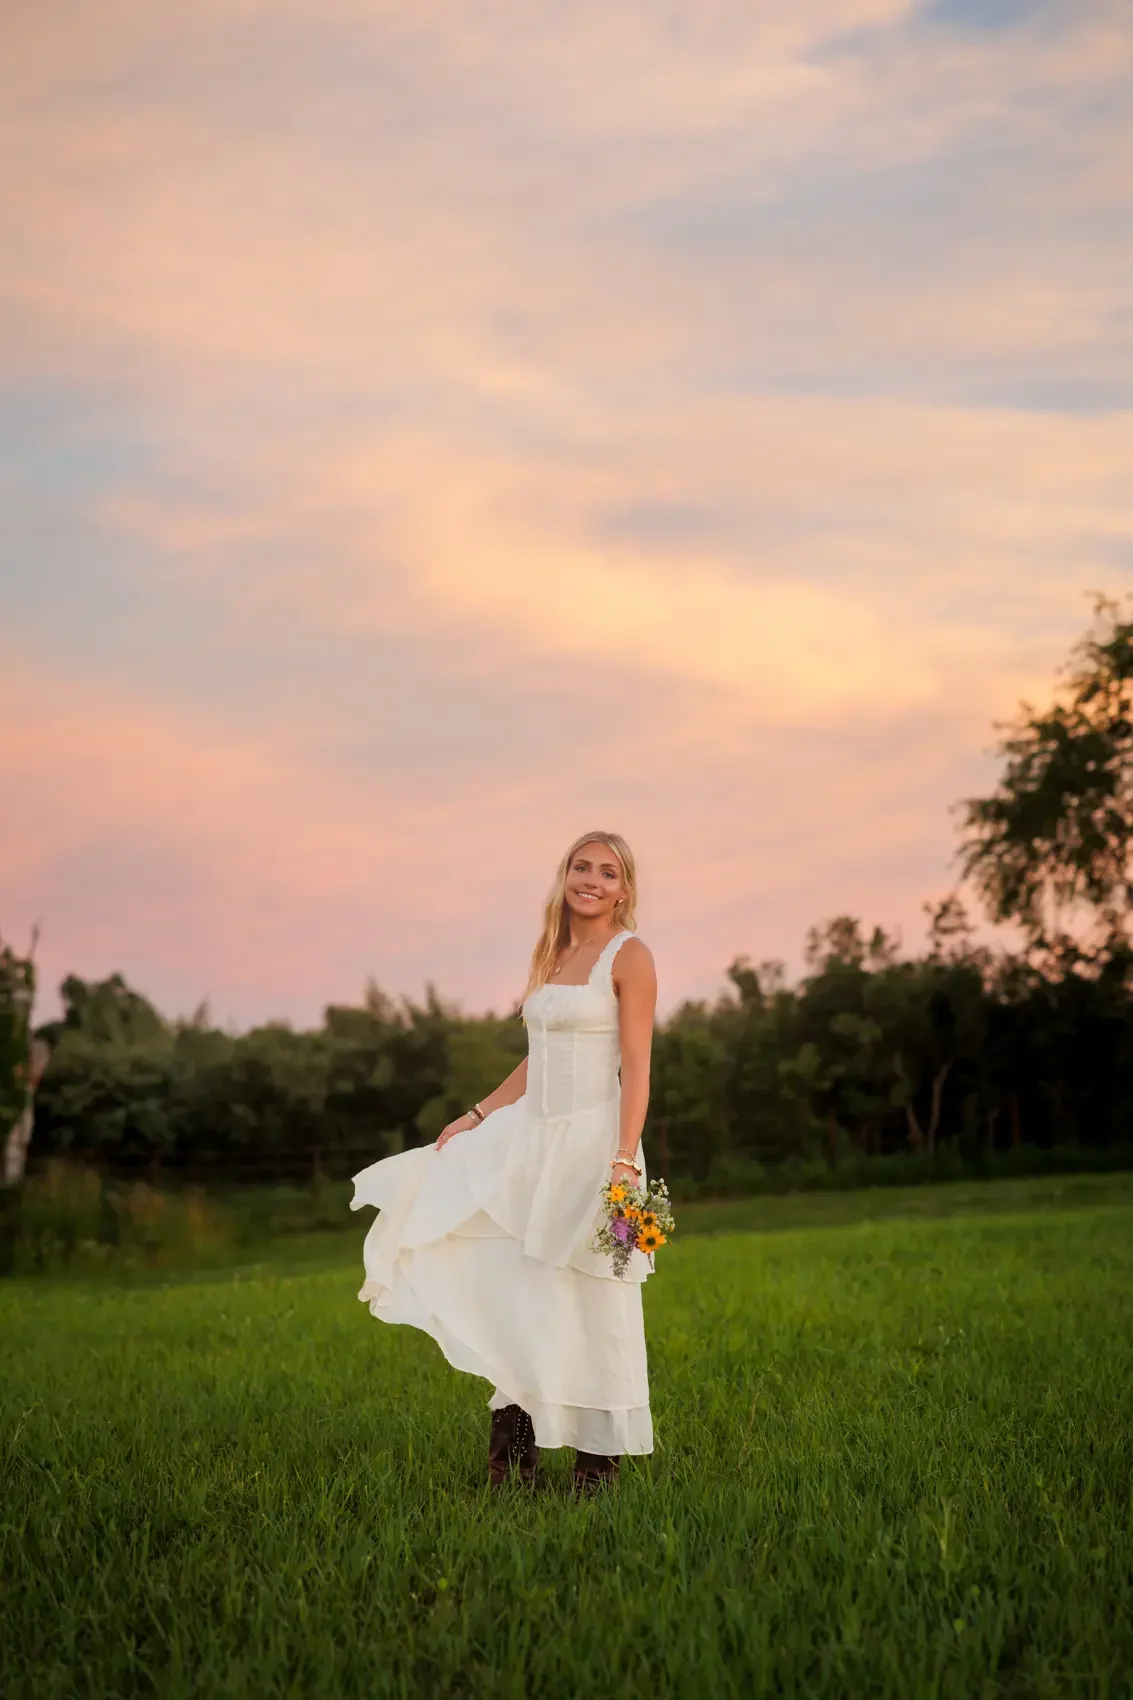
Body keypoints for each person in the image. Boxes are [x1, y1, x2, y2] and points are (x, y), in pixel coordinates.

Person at [351, 830, 658, 1493]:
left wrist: (624, 1159)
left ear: (622, 890)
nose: (592, 880)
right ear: (565, 875)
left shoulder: (628, 956)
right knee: (518, 1290)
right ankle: (511, 1463)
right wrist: (478, 1114)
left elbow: (636, 1066)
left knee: (590, 1296)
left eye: (607, 873)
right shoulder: (557, 952)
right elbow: (538, 1057)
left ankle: (593, 1467)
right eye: (582, 867)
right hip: (531, 1138)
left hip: (592, 1141)